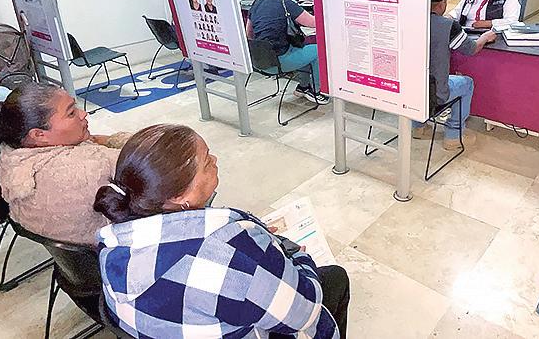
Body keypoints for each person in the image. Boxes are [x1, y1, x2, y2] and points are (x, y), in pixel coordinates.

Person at [94, 124, 349, 339]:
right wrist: (298, 256)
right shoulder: (226, 253)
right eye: (206, 162)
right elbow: (304, 312)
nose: (215, 160)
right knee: (335, 279)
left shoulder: (113, 242)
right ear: (179, 196)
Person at [0, 82, 130, 244]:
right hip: (110, 252)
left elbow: (94, 139)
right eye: (71, 113)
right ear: (39, 135)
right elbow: (145, 157)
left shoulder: (10, 153)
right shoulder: (91, 165)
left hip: (66, 255)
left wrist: (104, 140)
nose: (83, 114)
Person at [415, 0, 497, 150]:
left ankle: (418, 127)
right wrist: (485, 37)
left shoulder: (408, 20)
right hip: (434, 94)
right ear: (442, 4)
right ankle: (453, 135)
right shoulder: (448, 26)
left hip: (409, 92)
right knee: (466, 83)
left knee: (420, 83)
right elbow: (471, 49)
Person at [247, 0, 328, 105]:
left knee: (301, 47)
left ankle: (303, 87)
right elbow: (315, 23)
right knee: (319, 51)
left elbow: (249, 33)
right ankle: (316, 91)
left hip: (259, 61)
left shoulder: (256, 4)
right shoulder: (286, 4)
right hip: (278, 62)